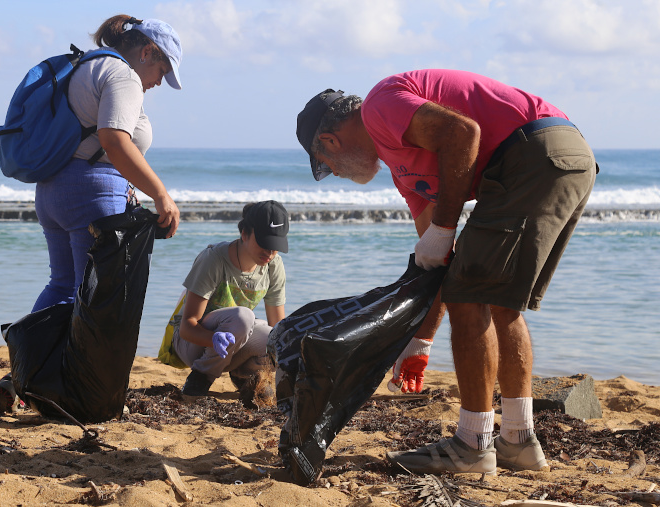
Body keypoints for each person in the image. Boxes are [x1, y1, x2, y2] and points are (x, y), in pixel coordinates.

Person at [296, 70, 597, 475]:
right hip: (563, 156)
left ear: (329, 142)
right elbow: (444, 265)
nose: (334, 171)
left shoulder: (380, 106)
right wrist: (421, 340)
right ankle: (519, 441)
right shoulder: (404, 171)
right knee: (497, 301)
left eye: (327, 164)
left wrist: (443, 228)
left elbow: (463, 133)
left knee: (473, 297)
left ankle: (473, 444)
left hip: (533, 151)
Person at [31, 15, 182, 312]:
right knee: (95, 297)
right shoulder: (123, 76)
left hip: (52, 189)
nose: (159, 81)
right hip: (91, 194)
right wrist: (161, 195)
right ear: (147, 51)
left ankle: (30, 358)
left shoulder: (87, 64)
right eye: (162, 70)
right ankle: (74, 361)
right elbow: (114, 141)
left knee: (62, 287)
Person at [171, 201, 289, 400]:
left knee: (279, 339)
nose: (269, 253)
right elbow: (187, 327)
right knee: (244, 316)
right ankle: (200, 379)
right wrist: (213, 339)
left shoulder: (273, 265)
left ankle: (245, 375)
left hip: (234, 342)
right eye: (264, 243)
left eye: (275, 247)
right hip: (192, 344)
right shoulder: (214, 259)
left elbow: (277, 326)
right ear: (244, 233)